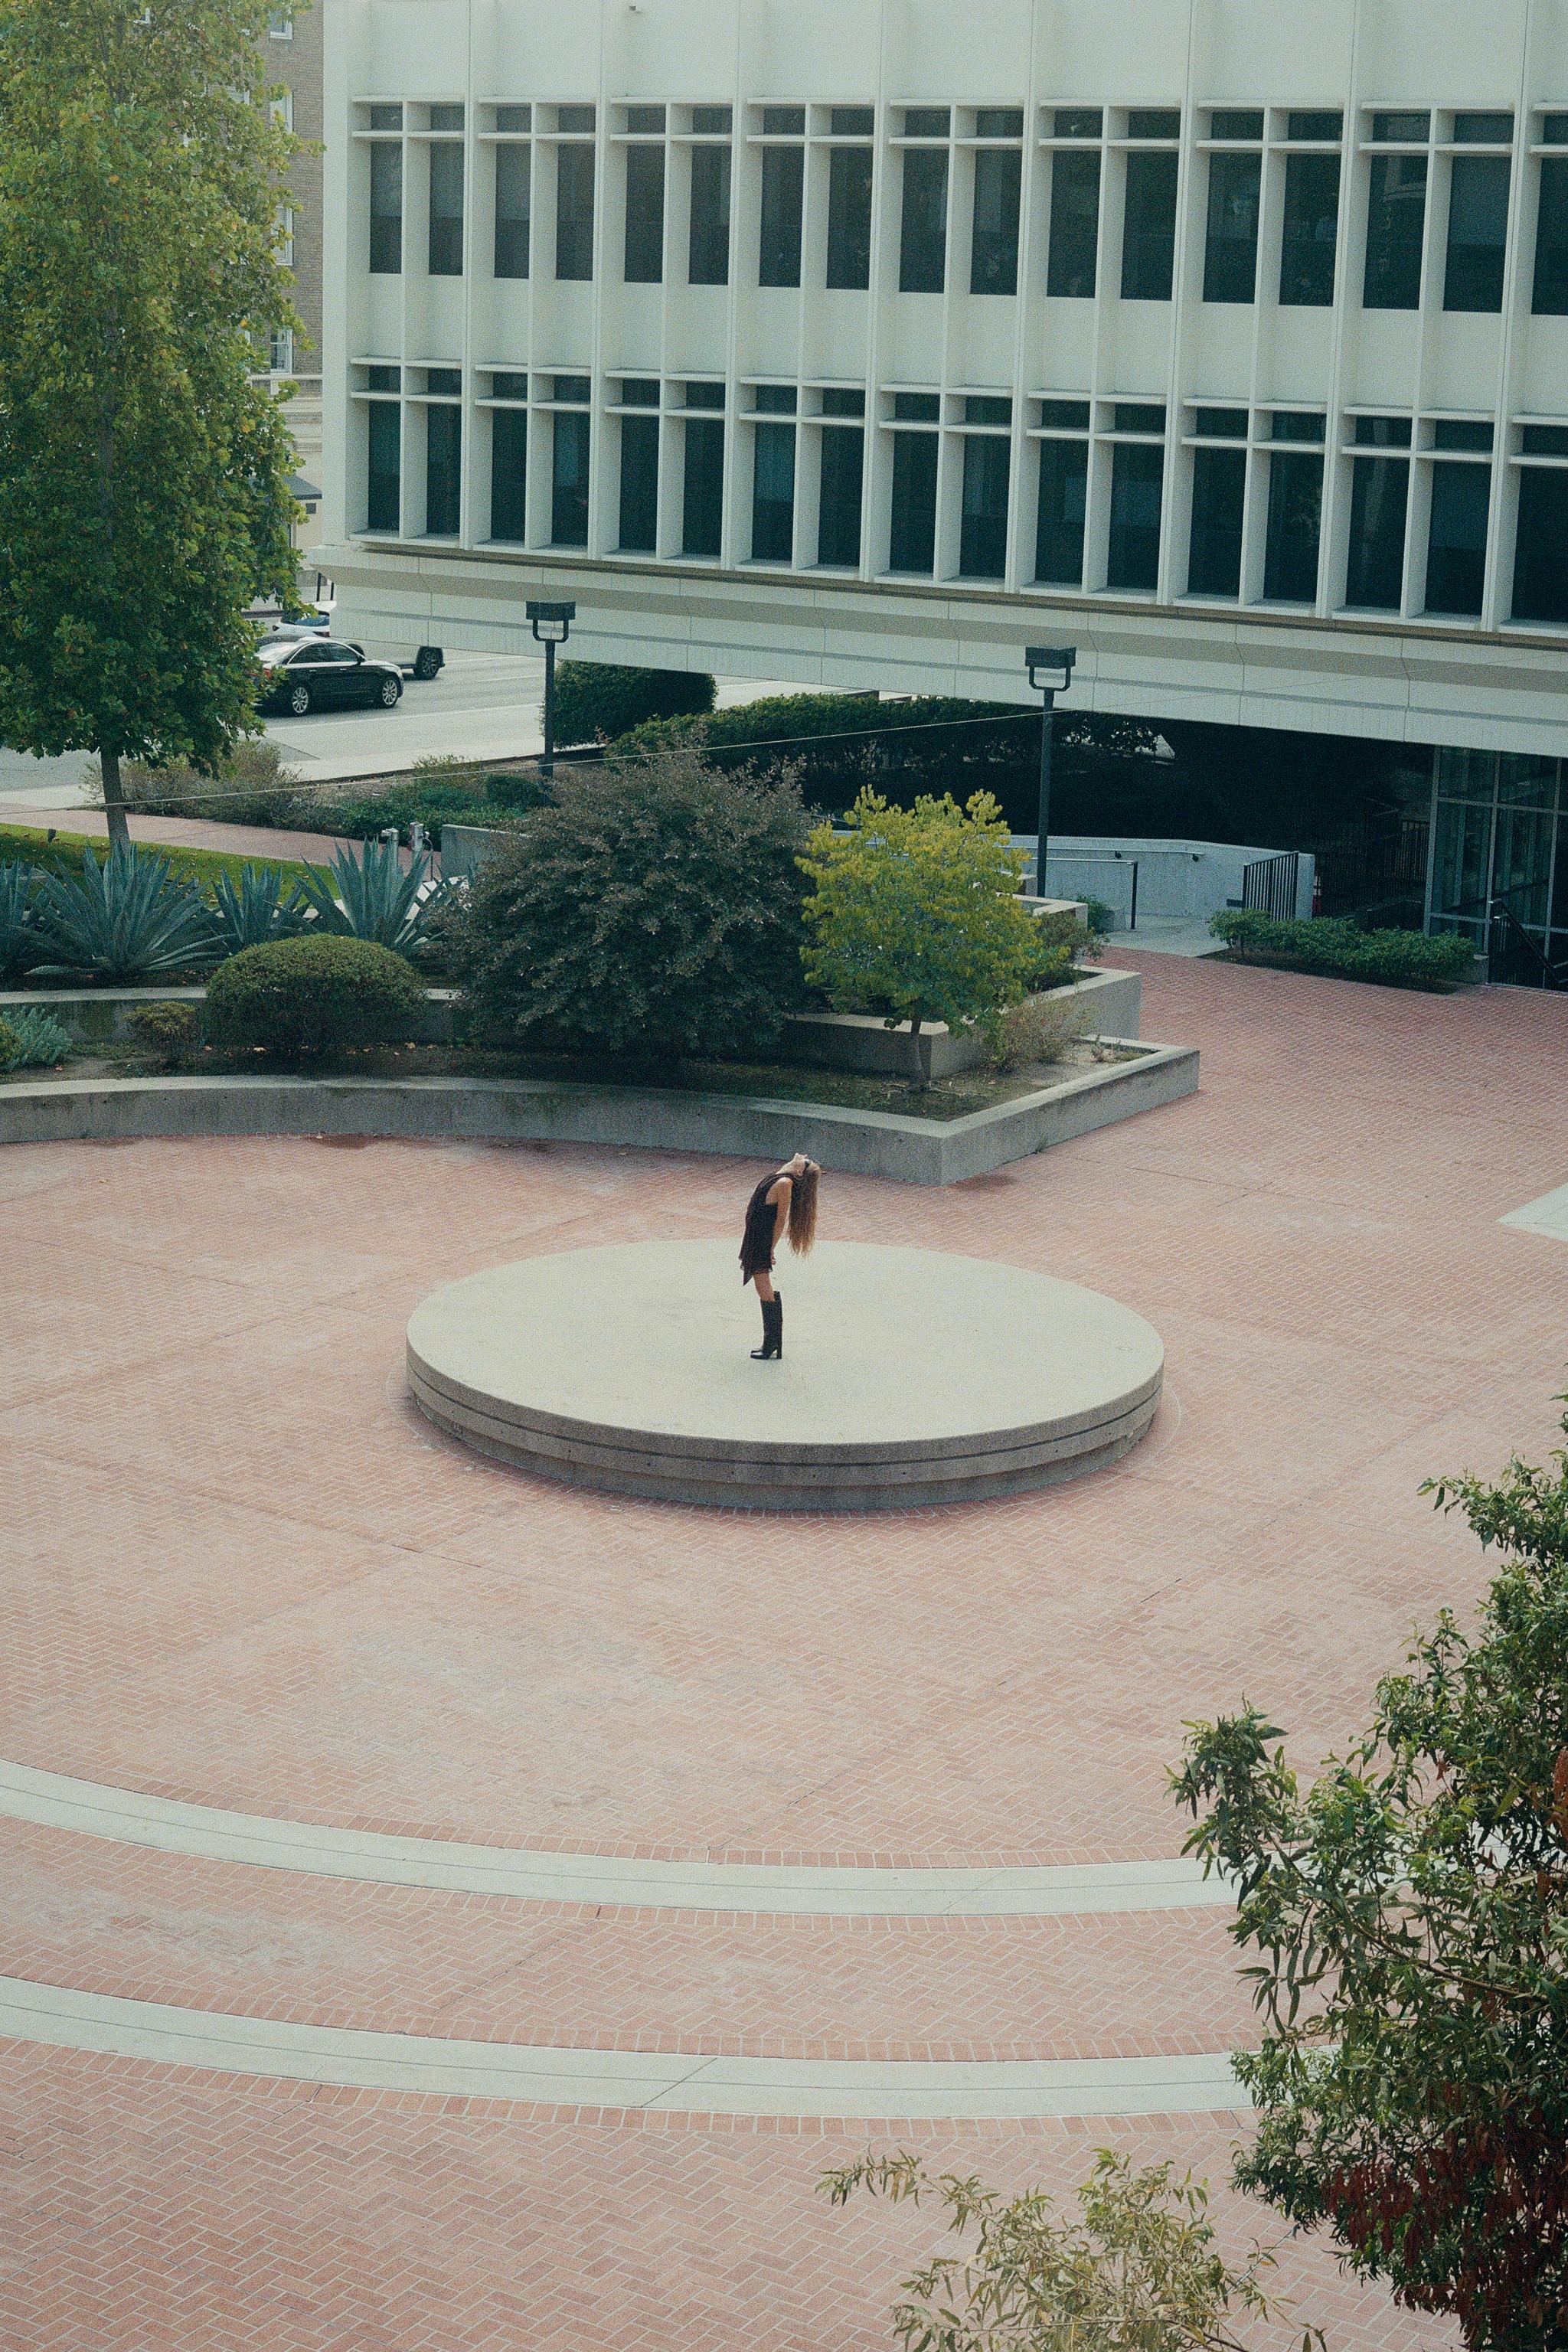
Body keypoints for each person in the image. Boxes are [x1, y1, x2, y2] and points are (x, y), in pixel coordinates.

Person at [739, 1153, 819, 1361]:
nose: (803, 1156)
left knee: (762, 1285)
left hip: (761, 1237)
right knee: (761, 1284)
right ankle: (772, 1341)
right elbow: (786, 1168)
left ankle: (772, 1342)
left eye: (805, 1160)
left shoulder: (785, 1183)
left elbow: (780, 1220)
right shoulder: (782, 1176)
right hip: (757, 1235)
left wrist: (770, 1248)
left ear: (800, 1172)